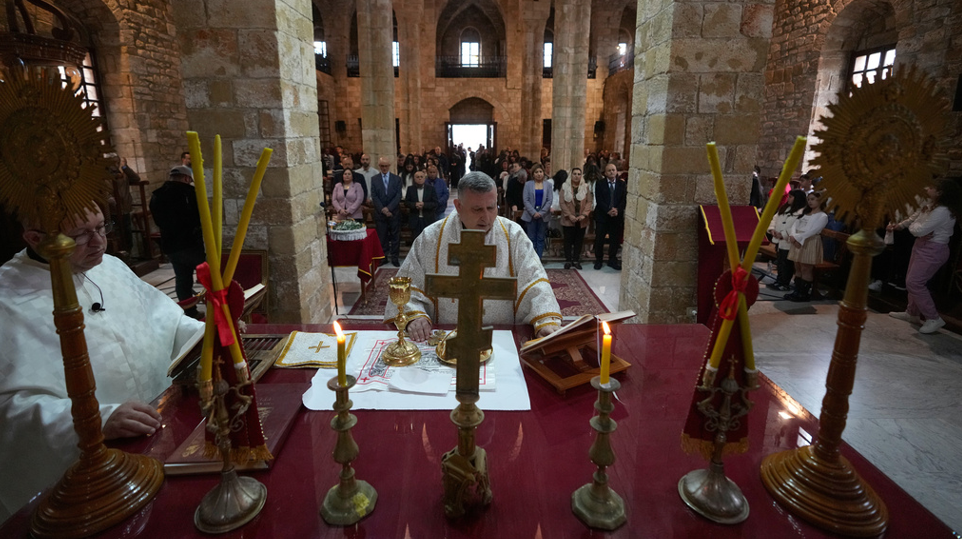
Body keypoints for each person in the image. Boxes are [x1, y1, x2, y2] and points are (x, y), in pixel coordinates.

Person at [0, 204, 204, 522]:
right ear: (35, 238)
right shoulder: (6, 299)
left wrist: (208, 336)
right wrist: (93, 420)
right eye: (80, 235)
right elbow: (10, 411)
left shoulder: (109, 266)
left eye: (101, 227)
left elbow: (170, 323)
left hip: (163, 429)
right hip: (89, 480)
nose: (99, 242)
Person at [385, 172, 562, 341]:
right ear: (458, 206)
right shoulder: (431, 238)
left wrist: (544, 319)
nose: (486, 217)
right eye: (477, 209)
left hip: (500, 337)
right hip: (447, 337)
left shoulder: (513, 236)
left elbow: (534, 281)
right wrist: (415, 316)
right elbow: (408, 284)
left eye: (491, 207)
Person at [887, 178, 962, 334]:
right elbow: (916, 217)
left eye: (932, 187)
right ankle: (912, 313)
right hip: (922, 245)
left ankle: (933, 318)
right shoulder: (932, 205)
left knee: (914, 283)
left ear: (940, 192)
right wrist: (900, 225)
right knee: (913, 280)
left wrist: (915, 228)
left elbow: (919, 230)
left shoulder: (942, 210)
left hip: (933, 249)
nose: (927, 188)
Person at [149, 165, 205, 317]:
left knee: (182, 279)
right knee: (209, 276)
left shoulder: (157, 195)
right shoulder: (189, 193)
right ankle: (215, 308)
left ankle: (190, 311)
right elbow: (198, 217)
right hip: (191, 244)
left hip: (171, 245)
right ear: (187, 178)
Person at [783, 190, 828, 302]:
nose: (810, 201)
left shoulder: (822, 216)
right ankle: (797, 291)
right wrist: (793, 235)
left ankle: (803, 294)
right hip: (797, 240)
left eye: (813, 199)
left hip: (809, 241)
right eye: (808, 199)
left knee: (806, 268)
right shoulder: (805, 212)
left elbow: (812, 231)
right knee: (797, 266)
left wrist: (797, 238)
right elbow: (795, 224)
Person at [767, 189, 806, 291]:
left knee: (787, 263)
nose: (788, 198)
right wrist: (772, 230)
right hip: (778, 239)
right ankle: (779, 280)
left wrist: (783, 234)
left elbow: (797, 226)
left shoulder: (802, 212)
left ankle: (785, 283)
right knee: (780, 261)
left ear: (797, 199)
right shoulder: (785, 208)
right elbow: (775, 219)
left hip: (789, 242)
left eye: (791, 197)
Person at [594, 163, 627, 270]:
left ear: (617, 171)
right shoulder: (600, 183)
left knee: (614, 240)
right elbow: (599, 200)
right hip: (603, 216)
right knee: (599, 239)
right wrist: (608, 210)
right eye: (609, 170)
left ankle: (612, 260)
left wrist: (617, 209)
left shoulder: (622, 184)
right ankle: (598, 260)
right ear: (605, 173)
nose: (612, 172)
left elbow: (623, 200)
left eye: (613, 170)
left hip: (616, 216)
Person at [371, 156, 403, 267]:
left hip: (393, 212)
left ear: (389, 166)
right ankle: (383, 257)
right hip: (380, 213)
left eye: (386, 166)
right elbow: (374, 196)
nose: (384, 168)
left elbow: (398, 195)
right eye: (382, 166)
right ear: (379, 166)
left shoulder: (396, 179)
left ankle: (395, 257)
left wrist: (389, 208)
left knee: (395, 236)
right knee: (382, 236)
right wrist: (383, 209)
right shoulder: (374, 179)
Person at [560, 167, 592, 270]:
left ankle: (576, 260)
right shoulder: (565, 186)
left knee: (579, 240)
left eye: (579, 174)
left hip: (581, 219)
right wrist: (569, 215)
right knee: (568, 240)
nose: (577, 176)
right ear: (571, 175)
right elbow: (562, 202)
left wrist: (583, 215)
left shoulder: (585, 187)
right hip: (569, 218)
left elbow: (589, 202)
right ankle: (568, 260)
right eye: (574, 174)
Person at [522, 163, 553, 260]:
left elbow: (549, 200)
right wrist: (533, 212)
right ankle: (531, 259)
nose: (539, 174)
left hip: (543, 214)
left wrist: (541, 212)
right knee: (531, 238)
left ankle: (538, 259)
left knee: (540, 238)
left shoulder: (548, 185)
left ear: (543, 173)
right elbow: (525, 200)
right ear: (533, 174)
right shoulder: (528, 184)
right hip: (531, 213)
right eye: (536, 172)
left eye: (540, 172)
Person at [404, 170, 439, 242]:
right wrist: (415, 205)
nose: (419, 178)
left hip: (427, 218)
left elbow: (435, 203)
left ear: (424, 178)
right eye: (417, 177)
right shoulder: (410, 189)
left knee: (428, 241)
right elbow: (406, 202)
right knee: (416, 240)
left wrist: (424, 205)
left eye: (421, 177)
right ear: (414, 179)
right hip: (415, 219)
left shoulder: (431, 189)